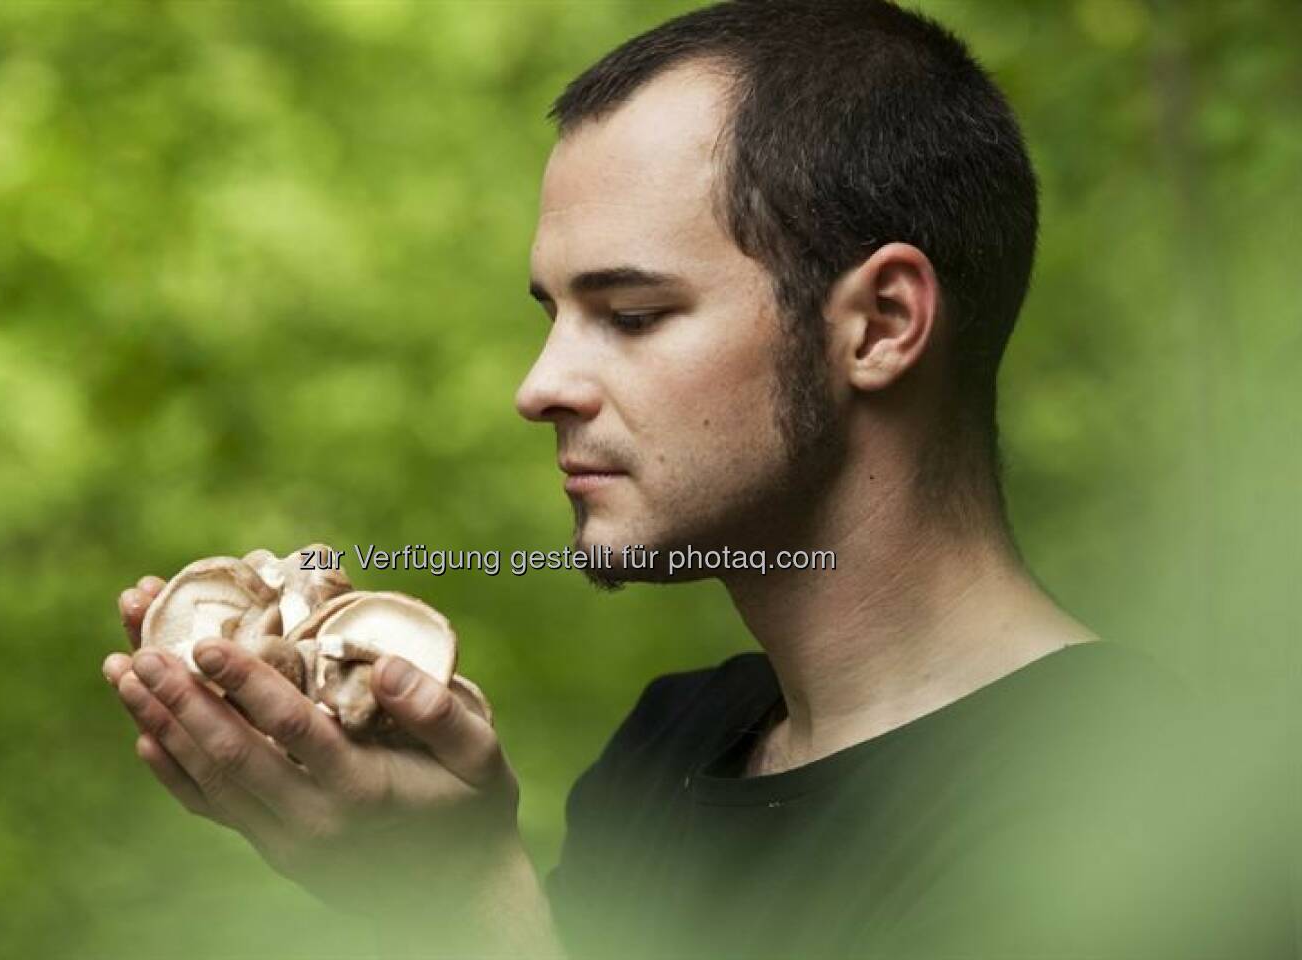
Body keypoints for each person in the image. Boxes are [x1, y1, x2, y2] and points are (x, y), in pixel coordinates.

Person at [104, 1, 1292, 957]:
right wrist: (457, 883)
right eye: (554, 315)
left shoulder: (1139, 832)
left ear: (880, 323)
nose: (540, 387)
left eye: (629, 313)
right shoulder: (669, 748)